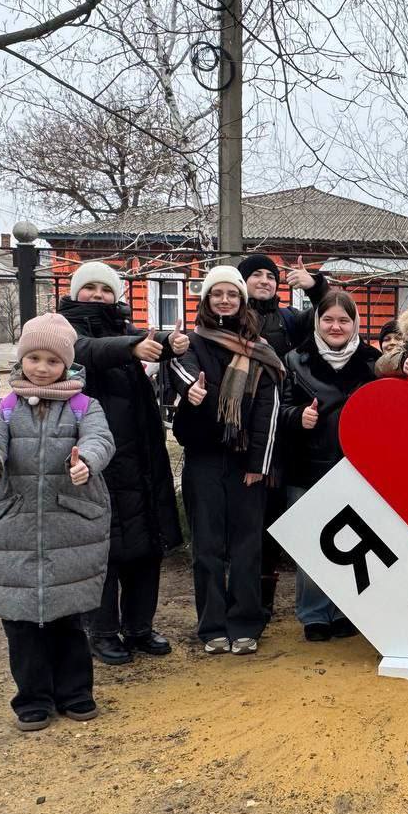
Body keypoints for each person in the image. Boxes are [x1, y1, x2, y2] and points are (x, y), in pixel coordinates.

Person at [0, 313, 116, 731]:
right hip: (14, 527)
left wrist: (86, 461)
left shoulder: (84, 406)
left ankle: (76, 692)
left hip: (71, 525)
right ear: (22, 359)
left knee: (69, 618)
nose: (42, 368)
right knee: (21, 623)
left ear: (66, 364)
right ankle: (32, 698)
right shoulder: (4, 408)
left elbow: (100, 439)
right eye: (34, 358)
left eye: (52, 360)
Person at [58, 261, 185, 666]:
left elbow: (143, 337)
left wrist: (170, 341)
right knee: (105, 550)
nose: (97, 295)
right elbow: (87, 350)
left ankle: (139, 627)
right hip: (95, 459)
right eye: (90, 287)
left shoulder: (124, 328)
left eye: (106, 289)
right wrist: (132, 347)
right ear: (75, 292)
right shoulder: (62, 330)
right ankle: (103, 632)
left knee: (146, 545)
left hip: (141, 455)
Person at [169, 266, 284, 657]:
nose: (224, 300)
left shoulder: (260, 348)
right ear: (206, 299)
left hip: (245, 462)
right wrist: (192, 392)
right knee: (207, 547)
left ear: (242, 300)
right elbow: (181, 371)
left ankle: (245, 623)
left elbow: (267, 410)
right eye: (217, 294)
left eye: (232, 294)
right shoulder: (192, 342)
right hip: (203, 457)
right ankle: (213, 625)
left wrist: (259, 464)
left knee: (247, 547)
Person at [279, 289, 381, 641]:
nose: (336, 327)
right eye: (328, 319)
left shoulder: (372, 362)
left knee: (354, 544)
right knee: (313, 545)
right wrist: (297, 417)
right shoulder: (295, 360)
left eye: (343, 320)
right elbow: (278, 409)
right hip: (307, 467)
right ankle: (314, 614)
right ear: (317, 322)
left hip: (357, 470)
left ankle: (344, 610)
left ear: (355, 324)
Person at [237, 253, 329, 624]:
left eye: (270, 275)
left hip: (284, 429)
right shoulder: (230, 316)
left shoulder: (289, 319)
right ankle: (245, 601)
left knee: (273, 520)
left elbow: (331, 316)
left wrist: (316, 286)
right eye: (256, 274)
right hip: (242, 427)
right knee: (247, 522)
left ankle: (265, 602)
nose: (264, 280)